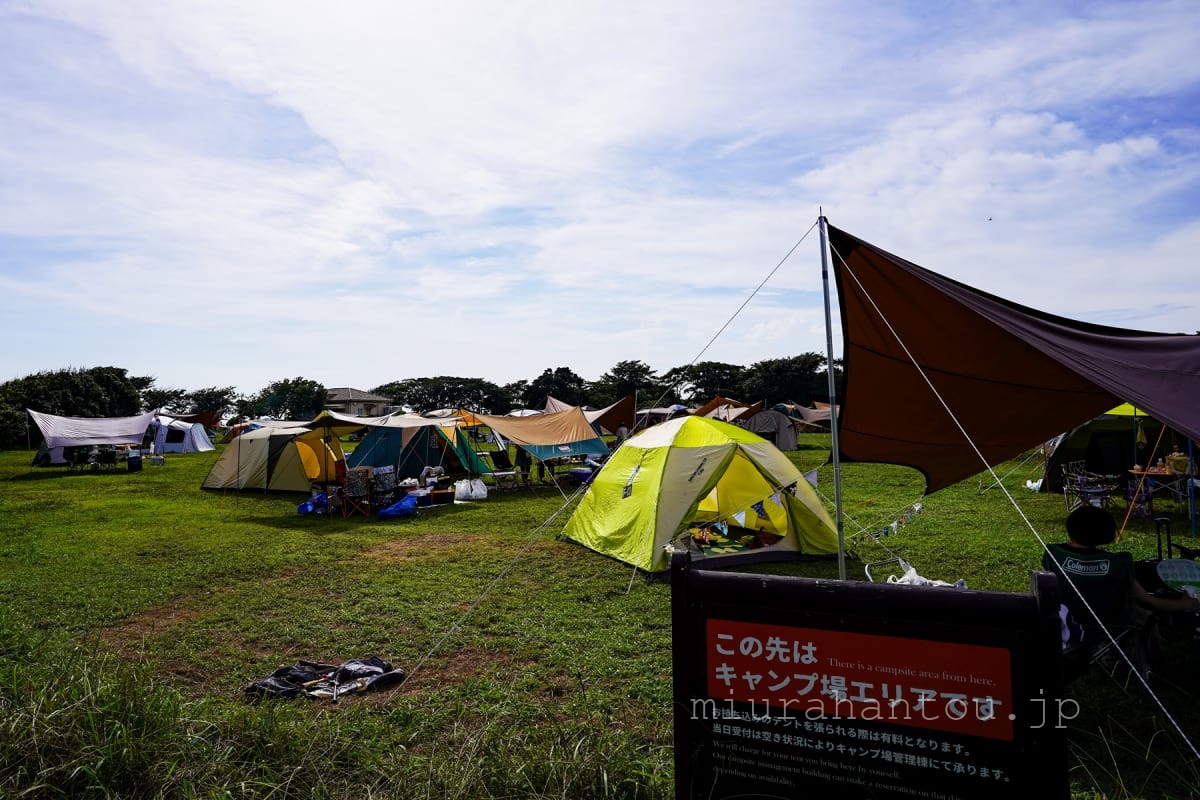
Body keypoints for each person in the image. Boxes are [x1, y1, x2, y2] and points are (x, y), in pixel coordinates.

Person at [1043, 505, 1199, 671]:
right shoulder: (1118, 563)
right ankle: (1155, 666)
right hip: (1111, 624)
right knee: (1146, 616)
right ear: (1105, 532)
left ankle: (1110, 654)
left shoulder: (1053, 554)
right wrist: (1186, 604)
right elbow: (1150, 601)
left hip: (1067, 621)